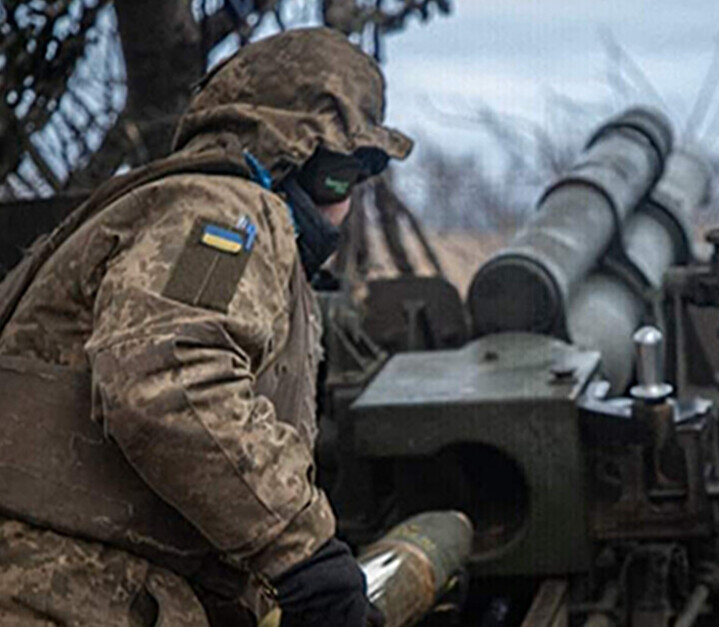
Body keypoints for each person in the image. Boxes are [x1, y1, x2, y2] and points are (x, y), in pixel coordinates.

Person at [0, 28, 414, 626]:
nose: (343, 206)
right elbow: (169, 377)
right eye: (338, 177)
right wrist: (306, 558)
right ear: (284, 158)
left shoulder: (174, 206)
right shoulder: (226, 211)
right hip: (65, 592)